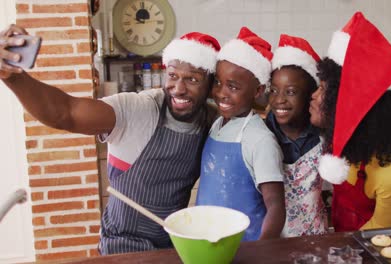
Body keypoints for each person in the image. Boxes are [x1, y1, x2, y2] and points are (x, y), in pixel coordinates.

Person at [0, 25, 220, 254]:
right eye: (172, 76)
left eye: (192, 80)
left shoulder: (211, 120)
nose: (178, 89)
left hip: (172, 247)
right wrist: (14, 78)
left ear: (211, 85)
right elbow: (65, 113)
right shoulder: (139, 110)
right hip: (121, 246)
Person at [311, 12, 391, 232]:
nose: (313, 95)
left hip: (382, 235)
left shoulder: (390, 173)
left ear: (349, 105)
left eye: (323, 89)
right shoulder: (346, 136)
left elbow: (378, 232)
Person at [195, 27, 285, 241]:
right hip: (209, 240)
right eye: (218, 82)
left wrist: (262, 250)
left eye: (233, 87)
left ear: (258, 91)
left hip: (246, 247)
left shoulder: (259, 139)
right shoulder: (217, 124)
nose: (221, 93)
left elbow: (275, 206)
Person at [266, 34, 327, 237]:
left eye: (291, 92)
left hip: (315, 234)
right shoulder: (262, 134)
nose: (279, 100)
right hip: (271, 237)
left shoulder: (323, 134)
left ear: (312, 93)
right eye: (274, 90)